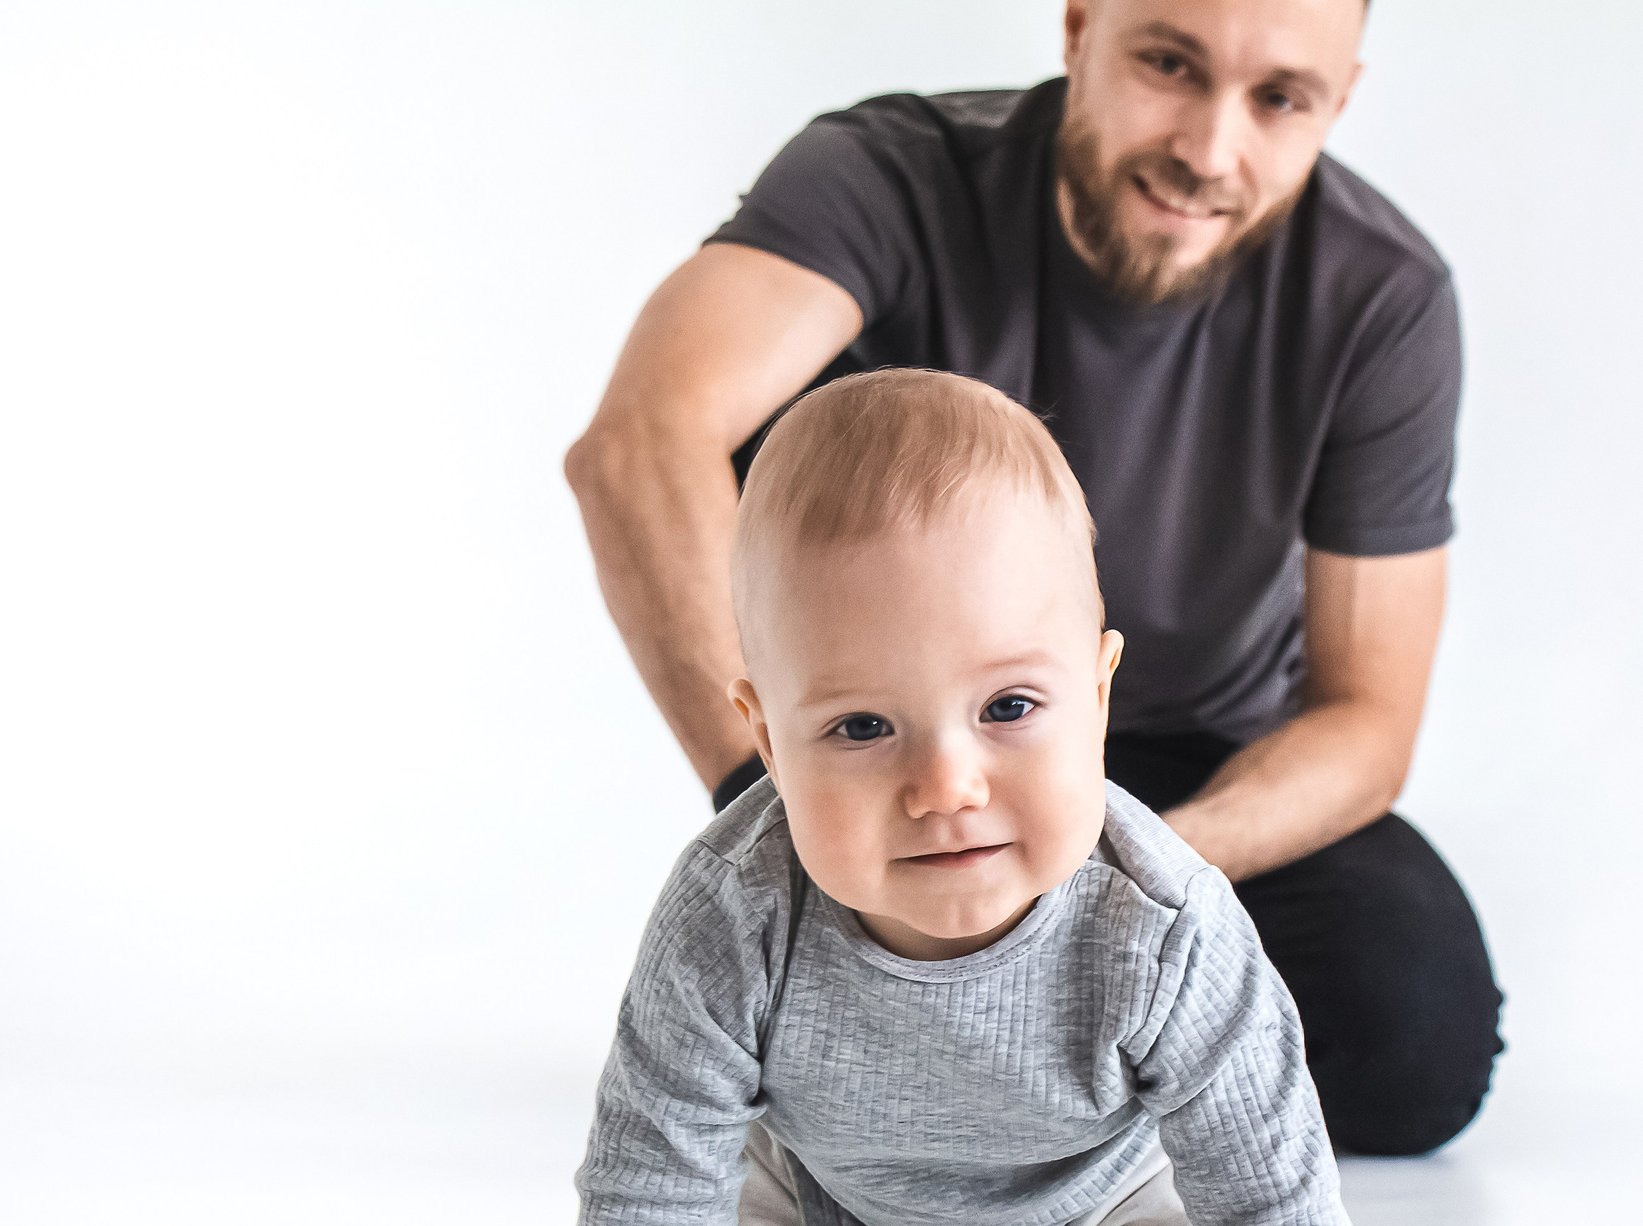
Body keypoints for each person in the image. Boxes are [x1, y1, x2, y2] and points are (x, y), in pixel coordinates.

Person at [489, 370, 1448, 1226]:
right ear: (765, 735)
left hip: (1105, 1202)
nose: (944, 785)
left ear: (1098, 692)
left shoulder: (1160, 923)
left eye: (1007, 706)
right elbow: (649, 1192)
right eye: (858, 728)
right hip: (832, 1208)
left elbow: (1272, 1198)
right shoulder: (731, 912)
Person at [565, 0, 1504, 1159]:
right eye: (1168, 64)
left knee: (1411, 1043)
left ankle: (1056, 1069)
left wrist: (1120, 881)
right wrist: (778, 823)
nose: (1210, 151)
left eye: (1277, 99)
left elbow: (1366, 717)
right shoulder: (884, 178)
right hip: (893, 750)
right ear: (1077, 31)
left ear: (1339, 101)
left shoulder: (1382, 296)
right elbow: (641, 443)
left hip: (1179, 774)